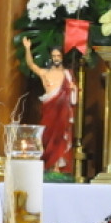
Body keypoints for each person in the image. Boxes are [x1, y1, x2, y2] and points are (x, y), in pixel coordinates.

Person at [22, 38, 76, 174]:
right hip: (49, 110)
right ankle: (49, 166)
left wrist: (73, 89)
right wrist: (27, 48)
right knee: (47, 137)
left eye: (58, 56)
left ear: (62, 57)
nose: (56, 58)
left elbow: (74, 95)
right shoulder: (45, 73)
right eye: (54, 56)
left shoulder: (67, 75)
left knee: (60, 139)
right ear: (51, 58)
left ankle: (59, 167)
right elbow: (31, 65)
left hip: (62, 111)